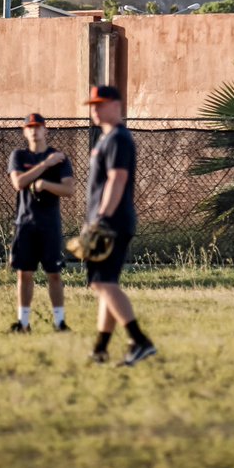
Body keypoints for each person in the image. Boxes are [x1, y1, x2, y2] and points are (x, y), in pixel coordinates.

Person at [83, 85, 156, 366]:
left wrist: (101, 218)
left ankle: (139, 341)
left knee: (102, 282)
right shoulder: (106, 139)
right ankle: (100, 349)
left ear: (117, 105)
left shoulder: (118, 139)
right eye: (93, 104)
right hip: (108, 220)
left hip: (112, 221)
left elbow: (118, 179)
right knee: (105, 284)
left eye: (102, 104)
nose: (96, 109)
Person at [7, 113, 75, 333]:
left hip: (49, 224)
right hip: (25, 223)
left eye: (38, 127)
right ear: (24, 131)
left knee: (54, 273)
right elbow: (19, 182)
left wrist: (45, 184)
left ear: (46, 130)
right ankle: (23, 323)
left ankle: (60, 323)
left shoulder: (60, 158)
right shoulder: (18, 156)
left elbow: (68, 190)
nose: (34, 131)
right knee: (24, 273)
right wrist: (45, 165)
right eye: (30, 127)